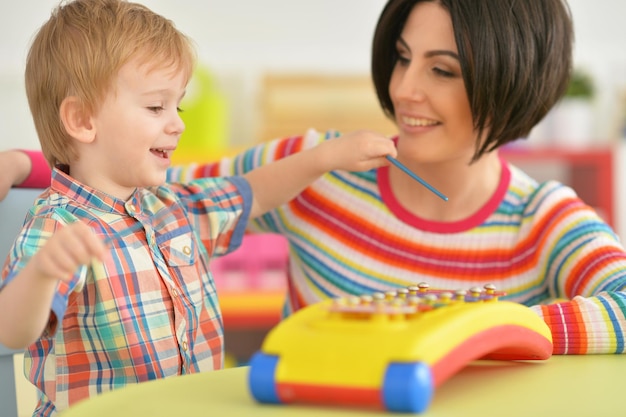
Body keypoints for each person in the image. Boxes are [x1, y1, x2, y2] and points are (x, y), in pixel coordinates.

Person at [3, 0, 626, 359]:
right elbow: (161, 187)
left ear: (511, 84)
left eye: (443, 70)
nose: (404, 89)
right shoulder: (321, 165)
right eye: (403, 58)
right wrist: (30, 164)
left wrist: (482, 327)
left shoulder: (543, 216)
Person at [0, 0, 396, 415]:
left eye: (179, 105)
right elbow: (13, 328)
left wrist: (324, 158)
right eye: (156, 106)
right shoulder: (57, 228)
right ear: (82, 120)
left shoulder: (173, 206)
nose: (178, 123)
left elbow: (254, 192)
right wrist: (43, 273)